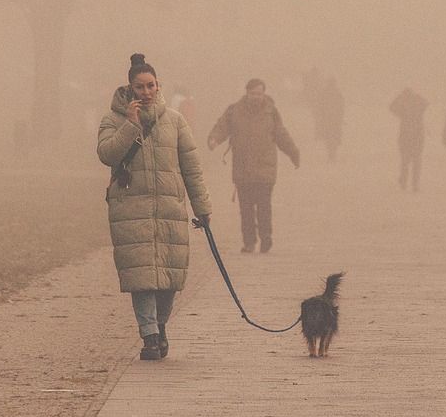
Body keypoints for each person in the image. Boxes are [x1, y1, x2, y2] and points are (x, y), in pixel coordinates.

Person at [97, 53, 213, 361]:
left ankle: (160, 326)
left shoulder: (175, 120)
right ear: (130, 89)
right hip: (130, 208)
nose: (146, 92)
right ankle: (148, 336)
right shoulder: (113, 120)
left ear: (158, 85)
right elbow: (107, 154)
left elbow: (191, 167)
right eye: (139, 87)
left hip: (169, 208)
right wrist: (131, 126)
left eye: (150, 86)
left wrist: (202, 206)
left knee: (169, 278)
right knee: (142, 278)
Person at [207, 78, 300, 254]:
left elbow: (281, 134)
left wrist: (293, 152)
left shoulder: (271, 112)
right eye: (253, 93)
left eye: (259, 93)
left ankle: (266, 238)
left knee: (264, 207)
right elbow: (222, 127)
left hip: (265, 168)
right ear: (247, 93)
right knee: (246, 209)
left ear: (264, 93)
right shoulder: (234, 111)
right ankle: (249, 242)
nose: (256, 97)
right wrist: (214, 139)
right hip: (242, 170)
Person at [389, 87, 428, 191]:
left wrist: (400, 97)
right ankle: (414, 184)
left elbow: (391, 107)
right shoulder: (418, 109)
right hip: (417, 137)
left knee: (405, 161)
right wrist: (416, 96)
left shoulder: (403, 111)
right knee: (416, 161)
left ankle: (404, 182)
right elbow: (426, 103)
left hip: (406, 137)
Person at [318, 75, 345, 162]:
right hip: (335, 120)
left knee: (328, 137)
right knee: (333, 137)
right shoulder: (337, 93)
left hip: (328, 120)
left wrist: (321, 118)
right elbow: (341, 107)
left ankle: (331, 154)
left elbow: (320, 107)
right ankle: (333, 154)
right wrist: (341, 117)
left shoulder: (324, 93)